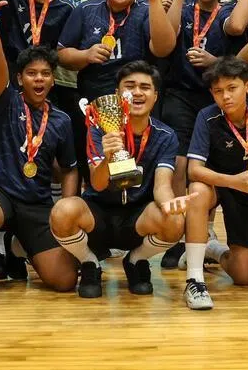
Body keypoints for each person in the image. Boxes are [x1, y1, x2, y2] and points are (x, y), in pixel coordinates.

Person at [0, 5, 79, 299]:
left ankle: (16, 245)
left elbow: (70, 168)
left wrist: (67, 208)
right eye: (32, 73)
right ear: (20, 78)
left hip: (36, 204)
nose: (39, 79)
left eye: (46, 74)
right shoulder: (6, 101)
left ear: (53, 79)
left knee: (64, 281)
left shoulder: (61, 120)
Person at [50, 61, 187, 298]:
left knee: (174, 220)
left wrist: (169, 204)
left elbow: (162, 185)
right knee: (62, 211)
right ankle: (89, 262)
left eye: (145, 87)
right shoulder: (99, 128)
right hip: (98, 215)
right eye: (129, 86)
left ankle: (136, 260)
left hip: (137, 217)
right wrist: (108, 156)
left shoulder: (166, 136)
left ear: (155, 96)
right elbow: (98, 183)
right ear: (117, 94)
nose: (136, 92)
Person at [181, 57, 248, 310]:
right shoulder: (207, 117)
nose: (226, 97)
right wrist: (233, 182)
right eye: (218, 91)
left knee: (244, 276)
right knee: (197, 192)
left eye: (232, 88)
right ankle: (194, 279)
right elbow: (194, 170)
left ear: (247, 86)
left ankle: (212, 249)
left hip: (247, 186)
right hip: (217, 183)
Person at [157, 0, 232, 269]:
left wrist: (213, 62)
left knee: (208, 163)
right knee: (179, 161)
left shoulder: (228, 14)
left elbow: (235, 57)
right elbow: (169, 35)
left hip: (213, 98)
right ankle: (177, 234)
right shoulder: (184, 7)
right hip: (179, 93)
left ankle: (204, 230)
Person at [57, 0, 177, 101]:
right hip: (93, 98)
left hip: (137, 98)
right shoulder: (85, 9)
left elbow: (163, 50)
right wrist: (86, 55)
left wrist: (154, 0)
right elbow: (61, 54)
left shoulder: (148, 10)